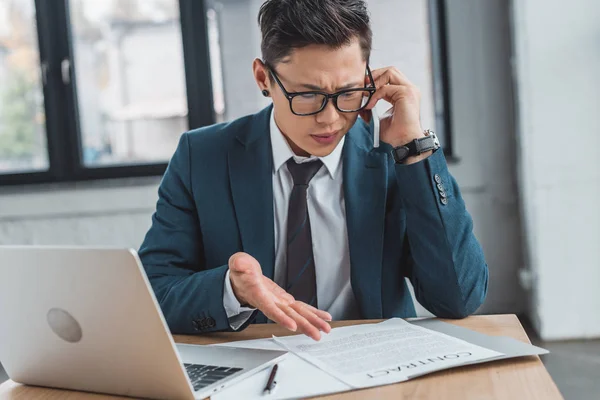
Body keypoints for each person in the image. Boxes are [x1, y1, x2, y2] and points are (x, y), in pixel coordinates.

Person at [138, 0, 488, 341]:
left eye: (349, 92)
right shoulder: (202, 156)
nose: (330, 118)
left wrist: (415, 147)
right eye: (307, 95)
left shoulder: (392, 155)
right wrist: (232, 290)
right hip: (255, 371)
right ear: (264, 78)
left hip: (374, 369)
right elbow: (153, 294)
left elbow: (458, 298)